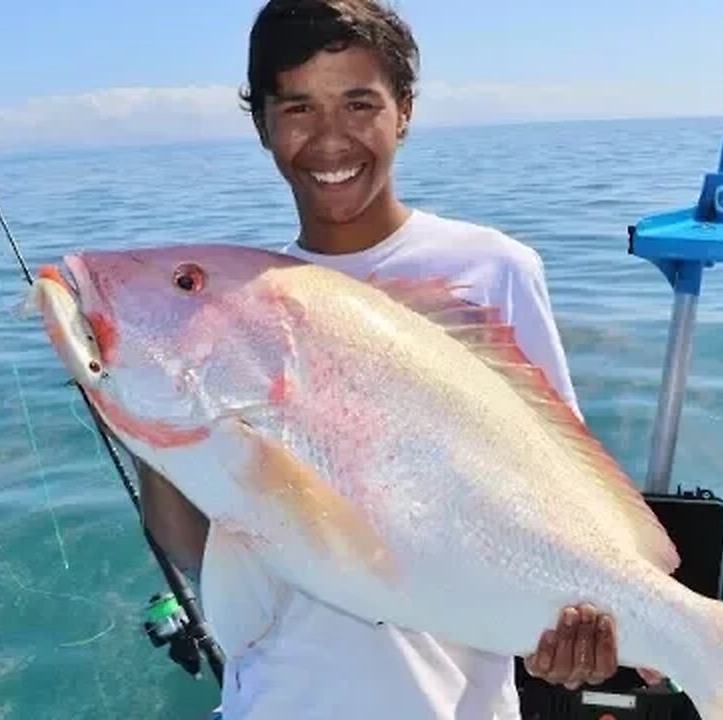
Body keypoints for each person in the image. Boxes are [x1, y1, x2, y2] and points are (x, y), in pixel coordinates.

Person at [139, 1, 653, 716]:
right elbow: (200, 551)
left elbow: (560, 483)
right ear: (260, 123)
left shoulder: (491, 269)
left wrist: (585, 626)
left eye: (359, 103)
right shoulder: (233, 305)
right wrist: (146, 417)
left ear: (404, 110)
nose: (329, 139)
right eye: (297, 107)